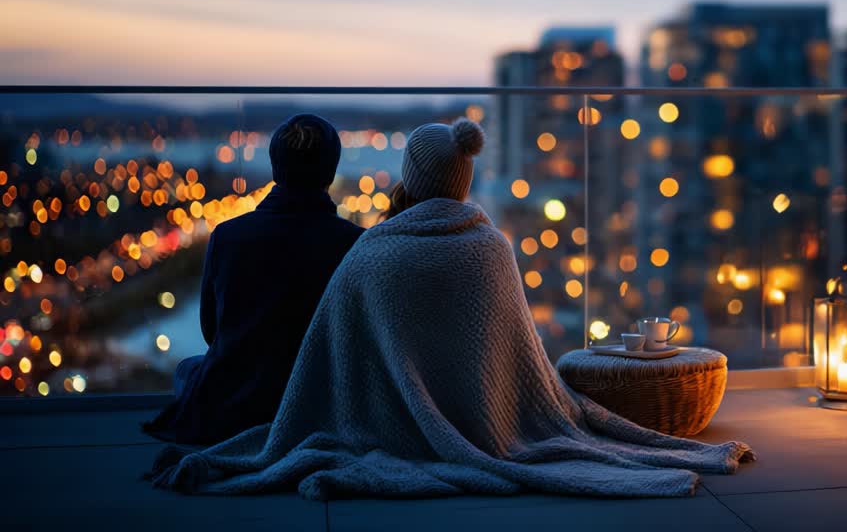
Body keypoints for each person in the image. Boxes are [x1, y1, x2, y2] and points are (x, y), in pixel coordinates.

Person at [151, 118, 752, 499]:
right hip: (485, 421)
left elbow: (336, 353)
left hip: (339, 418)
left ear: (409, 177)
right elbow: (519, 359)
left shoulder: (369, 253)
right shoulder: (493, 249)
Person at [144, 114, 363, 444]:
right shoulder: (356, 243)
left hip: (236, 408)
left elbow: (211, 332)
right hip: (320, 406)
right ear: (330, 172)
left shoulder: (227, 236)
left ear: (276, 169)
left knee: (187, 370)